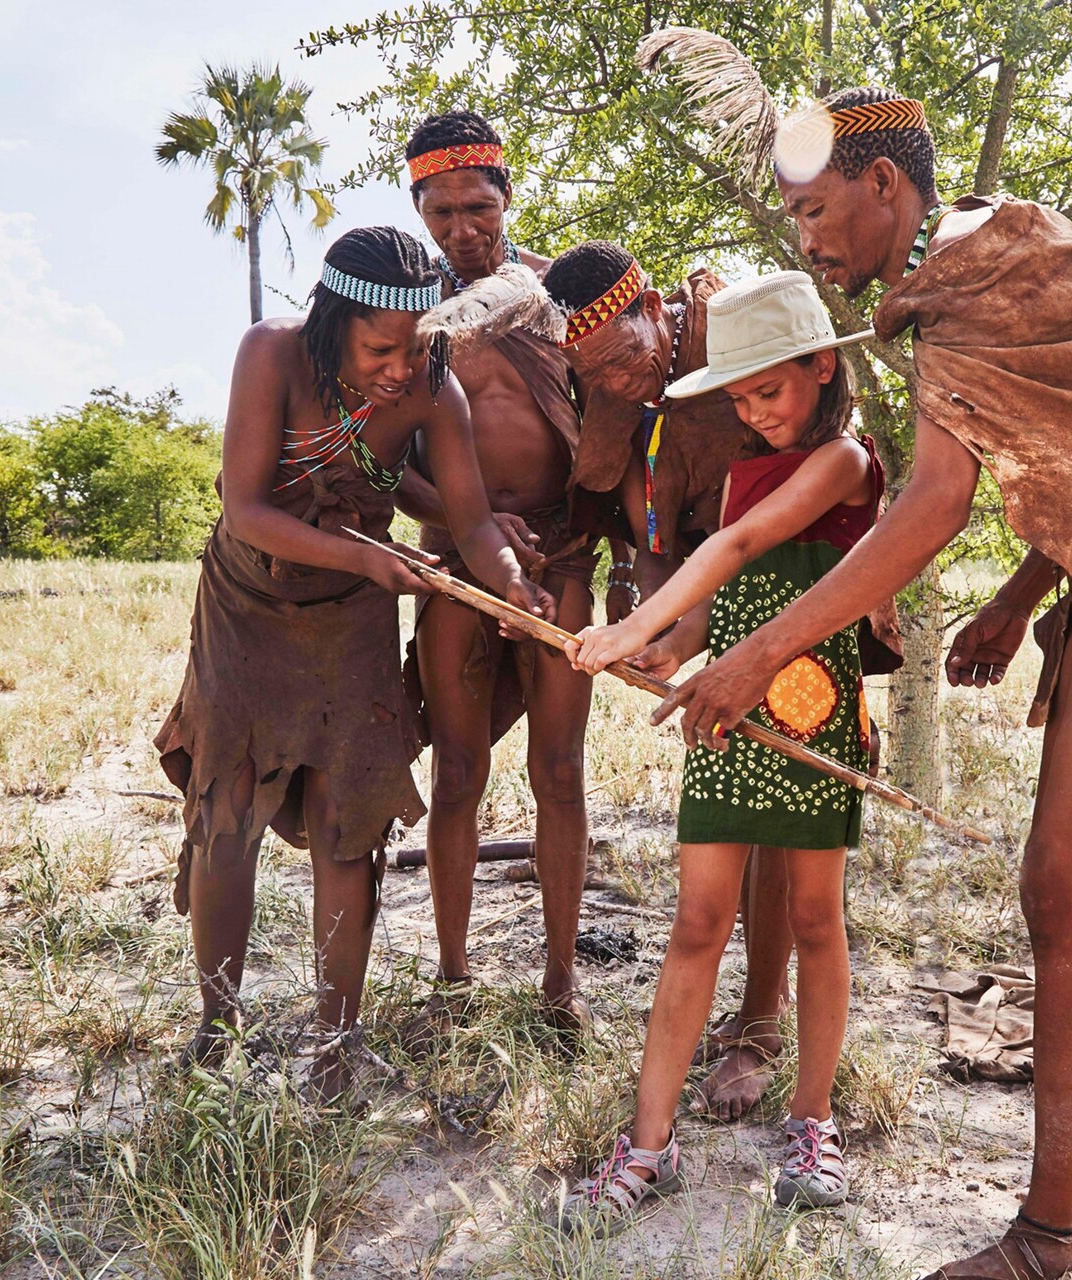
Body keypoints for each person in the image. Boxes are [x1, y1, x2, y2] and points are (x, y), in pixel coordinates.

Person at [655, 88, 1072, 1279]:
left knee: (1060, 889)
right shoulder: (967, 271)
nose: (808, 242)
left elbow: (932, 506)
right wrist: (1022, 598)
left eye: (816, 212)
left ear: (882, 188)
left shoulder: (973, 275)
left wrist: (754, 655)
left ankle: (1050, 1240)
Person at [154, 226, 552, 1098]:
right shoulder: (272, 356)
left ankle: (337, 1038)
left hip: (352, 626)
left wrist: (516, 585)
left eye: (418, 347)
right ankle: (217, 1025)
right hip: (246, 613)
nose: (403, 368)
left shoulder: (432, 390)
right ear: (334, 324)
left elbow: (475, 522)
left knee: (349, 822)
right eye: (382, 348)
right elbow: (247, 509)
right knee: (228, 816)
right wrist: (372, 558)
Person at [552, 271, 881, 1234]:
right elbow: (714, 605)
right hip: (727, 726)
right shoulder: (742, 470)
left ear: (823, 368)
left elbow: (739, 549)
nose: (754, 413)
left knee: (818, 920)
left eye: (768, 392)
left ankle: (811, 1123)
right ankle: (647, 1144)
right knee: (698, 922)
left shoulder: (846, 464)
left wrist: (638, 619)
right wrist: (659, 644)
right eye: (737, 398)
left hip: (813, 715)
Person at [544, 243, 802, 1118]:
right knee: (734, 811)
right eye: (594, 374)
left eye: (624, 357)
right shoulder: (618, 395)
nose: (615, 382)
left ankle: (764, 1021)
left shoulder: (738, 345)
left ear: (653, 307)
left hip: (795, 605)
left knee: (781, 821)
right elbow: (646, 532)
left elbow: (780, 510)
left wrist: (703, 628)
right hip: (703, 612)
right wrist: (658, 632)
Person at [389, 110, 601, 1038]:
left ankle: (561, 985)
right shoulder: (405, 319)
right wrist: (463, 525)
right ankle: (452, 977)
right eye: (442, 213)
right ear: (417, 207)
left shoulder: (559, 298)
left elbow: (617, 421)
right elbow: (383, 462)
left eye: (479, 206)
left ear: (508, 196)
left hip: (561, 561)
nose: (463, 228)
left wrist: (593, 549)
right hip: (454, 572)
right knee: (460, 772)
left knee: (561, 770)